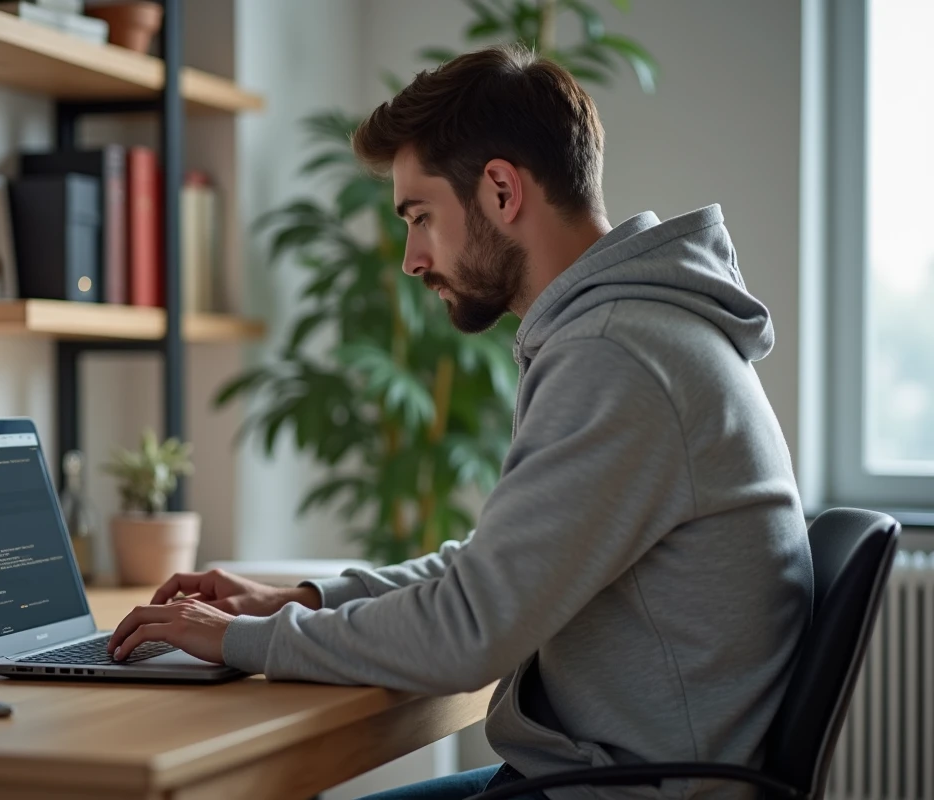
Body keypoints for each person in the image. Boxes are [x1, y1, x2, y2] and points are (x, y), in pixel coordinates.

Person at [108, 44, 813, 800]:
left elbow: (468, 631)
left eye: (420, 217)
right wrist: (303, 601)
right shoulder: (627, 334)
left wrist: (242, 640)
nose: (411, 259)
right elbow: (488, 573)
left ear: (502, 190)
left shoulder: (617, 356)